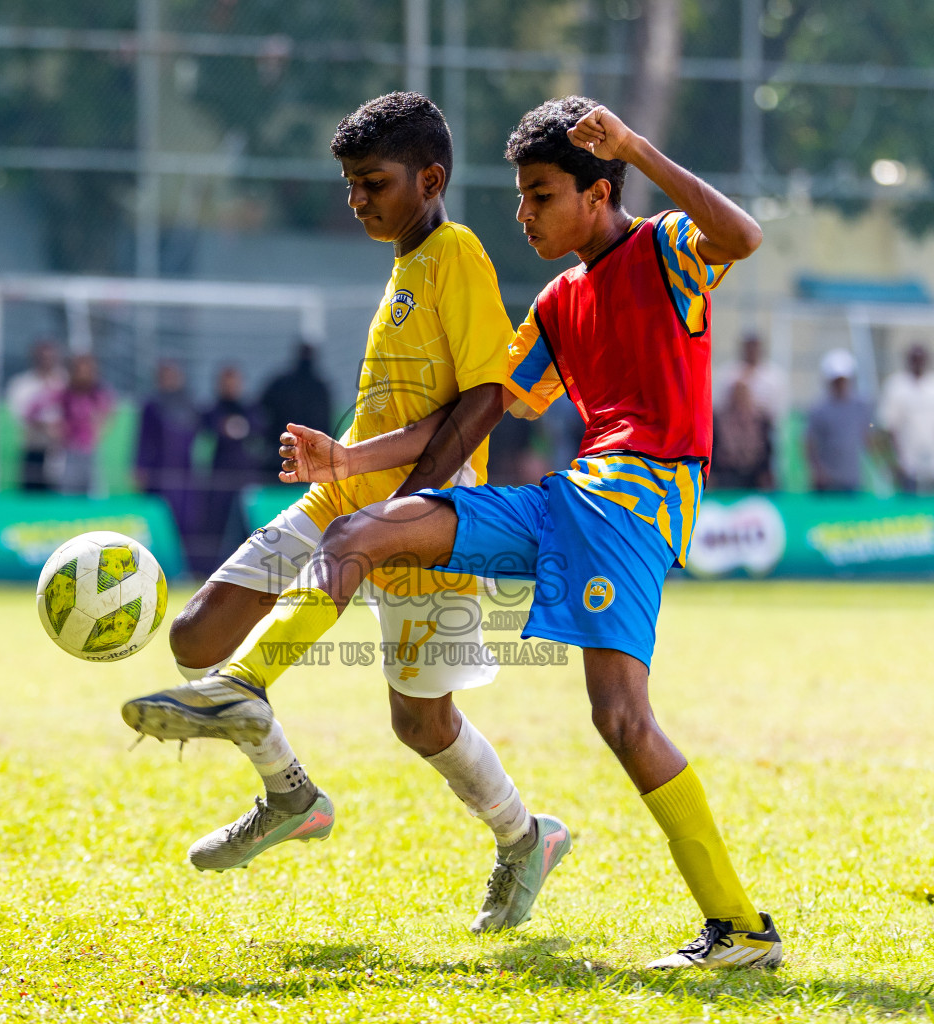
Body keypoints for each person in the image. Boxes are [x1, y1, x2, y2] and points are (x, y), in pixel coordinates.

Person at [126, 97, 782, 971]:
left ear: (598, 191)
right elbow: (476, 413)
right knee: (360, 532)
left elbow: (742, 238)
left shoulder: (666, 247)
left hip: (636, 506)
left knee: (621, 720)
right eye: (519, 196)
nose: (523, 214)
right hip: (565, 497)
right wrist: (350, 455)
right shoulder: (554, 304)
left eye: (541, 195)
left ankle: (739, 930)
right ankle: (241, 686)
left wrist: (637, 146)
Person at [121, 93, 565, 936]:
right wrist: (350, 459)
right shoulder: (403, 264)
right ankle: (289, 790)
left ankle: (525, 838)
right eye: (350, 185)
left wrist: (412, 503)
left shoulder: (457, 253)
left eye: (373, 183)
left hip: (432, 521)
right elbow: (412, 400)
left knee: (420, 722)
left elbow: (485, 398)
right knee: (197, 637)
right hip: (341, 501)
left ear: (430, 179)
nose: (358, 199)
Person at [197, 365, 263, 565]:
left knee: (249, 526)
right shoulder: (211, 411)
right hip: (219, 479)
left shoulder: (251, 410)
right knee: (216, 527)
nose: (231, 387)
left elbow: (258, 429)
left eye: (234, 382)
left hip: (246, 478)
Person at [135, 361, 199, 565]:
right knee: (160, 518)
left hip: (184, 474)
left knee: (186, 521)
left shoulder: (189, 404)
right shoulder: (152, 405)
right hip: (158, 473)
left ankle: (185, 565)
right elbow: (143, 439)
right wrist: (140, 466)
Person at [877, 342, 934, 496]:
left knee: (933, 509)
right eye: (914, 358)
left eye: (921, 358)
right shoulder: (895, 386)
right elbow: (887, 426)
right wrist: (894, 460)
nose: (918, 362)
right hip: (906, 464)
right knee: (909, 511)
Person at [805, 349, 873, 494]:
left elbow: (868, 431)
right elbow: (809, 443)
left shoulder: (860, 406)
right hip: (827, 482)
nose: (840, 384)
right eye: (836, 380)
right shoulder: (819, 409)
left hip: (852, 479)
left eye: (843, 380)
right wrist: (818, 471)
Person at [4, 338, 66, 492]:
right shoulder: (22, 384)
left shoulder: (65, 383)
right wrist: (43, 426)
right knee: (31, 497)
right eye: (42, 357)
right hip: (32, 448)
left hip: (58, 452)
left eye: (50, 357)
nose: (46, 361)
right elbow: (19, 416)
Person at [57, 353, 113, 496]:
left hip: (92, 452)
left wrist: (99, 431)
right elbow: (35, 410)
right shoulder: (64, 395)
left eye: (88, 371)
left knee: (95, 495)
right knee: (68, 495)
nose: (84, 376)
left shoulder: (100, 395)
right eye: (80, 371)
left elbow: (108, 417)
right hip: (69, 452)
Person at [258, 341, 334, 440]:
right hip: (312, 446)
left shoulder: (280, 383)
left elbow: (262, 408)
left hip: (282, 442)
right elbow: (326, 421)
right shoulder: (321, 387)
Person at [710, 379, 773, 490]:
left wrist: (766, 472)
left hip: (754, 473)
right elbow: (714, 447)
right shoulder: (720, 419)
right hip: (725, 473)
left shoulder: (760, 419)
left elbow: (767, 448)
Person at [715, 332, 787, 423]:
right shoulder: (728, 373)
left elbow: (778, 409)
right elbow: (720, 404)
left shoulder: (774, 376)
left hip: (763, 428)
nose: (752, 350)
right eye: (749, 345)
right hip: (731, 426)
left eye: (755, 345)